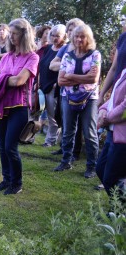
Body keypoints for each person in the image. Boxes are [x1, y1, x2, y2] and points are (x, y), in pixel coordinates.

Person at [0, 18, 39, 195]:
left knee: (10, 146)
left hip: (20, 106)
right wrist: (6, 79)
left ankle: (17, 183)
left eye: (15, 34)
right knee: (2, 146)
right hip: (2, 104)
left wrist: (4, 78)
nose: (11, 38)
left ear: (24, 35)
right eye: (9, 34)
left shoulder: (33, 57)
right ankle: (6, 179)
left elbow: (20, 80)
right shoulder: (7, 56)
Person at [53, 24, 101, 179]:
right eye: (77, 36)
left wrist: (71, 76)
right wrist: (83, 78)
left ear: (88, 38)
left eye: (83, 36)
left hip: (89, 98)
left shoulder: (95, 55)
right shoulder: (67, 56)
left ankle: (92, 167)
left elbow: (93, 79)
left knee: (90, 132)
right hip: (68, 97)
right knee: (68, 130)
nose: (79, 39)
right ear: (72, 38)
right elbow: (60, 81)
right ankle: (66, 161)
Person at [49, 18, 85, 159]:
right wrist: (69, 67)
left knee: (77, 122)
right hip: (64, 89)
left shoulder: (86, 49)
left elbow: (87, 71)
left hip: (80, 92)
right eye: (69, 30)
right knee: (63, 119)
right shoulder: (65, 48)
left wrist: (66, 69)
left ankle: (75, 152)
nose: (70, 33)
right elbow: (52, 65)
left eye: (73, 30)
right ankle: (65, 148)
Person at [96, 68, 126, 200]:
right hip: (112, 131)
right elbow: (114, 98)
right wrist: (103, 109)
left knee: (111, 178)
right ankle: (118, 207)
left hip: (122, 136)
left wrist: (107, 118)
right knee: (101, 169)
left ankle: (119, 210)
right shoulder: (124, 71)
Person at [39, 24, 67, 147]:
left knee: (52, 116)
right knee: (40, 113)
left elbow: (64, 69)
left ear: (64, 37)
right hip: (43, 86)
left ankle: (50, 141)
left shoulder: (65, 50)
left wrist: (56, 84)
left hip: (54, 88)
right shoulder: (48, 48)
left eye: (58, 36)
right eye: (53, 35)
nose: (55, 38)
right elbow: (42, 66)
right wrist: (38, 82)